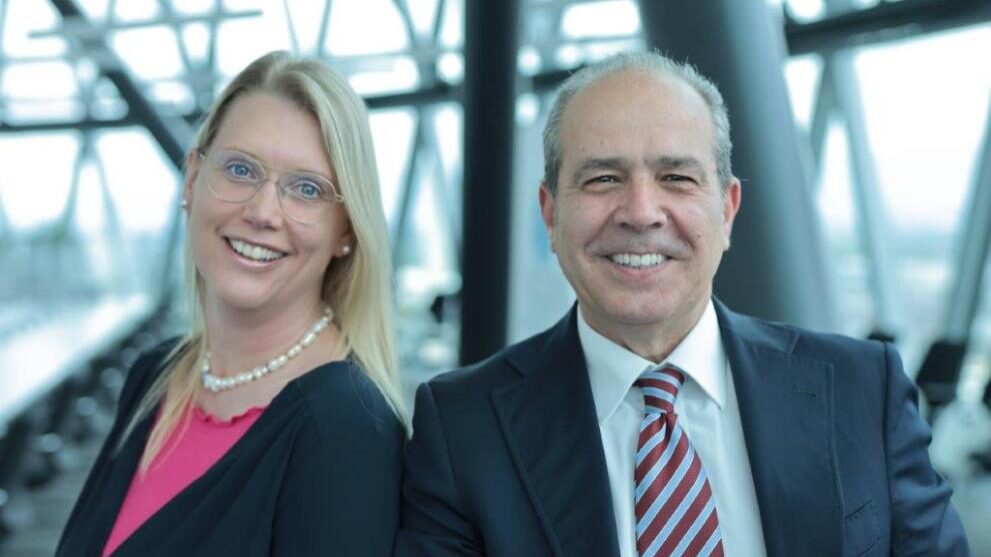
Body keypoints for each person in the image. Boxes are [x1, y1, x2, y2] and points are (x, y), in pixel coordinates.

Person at [395, 51, 970, 557]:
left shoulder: (862, 390)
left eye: (676, 177)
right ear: (551, 214)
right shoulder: (463, 429)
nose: (641, 212)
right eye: (602, 179)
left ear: (727, 210)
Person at [57, 51, 406, 556]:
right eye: (240, 169)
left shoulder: (347, 427)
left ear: (346, 231)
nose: (263, 212)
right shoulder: (155, 378)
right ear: (192, 180)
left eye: (307, 189)